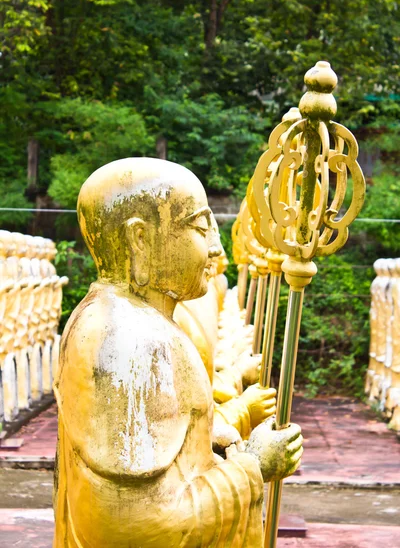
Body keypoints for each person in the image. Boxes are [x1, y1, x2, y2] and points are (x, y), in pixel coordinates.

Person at [53, 157, 303, 547]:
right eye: (200, 227)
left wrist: (216, 434)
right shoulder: (129, 341)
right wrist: (253, 466)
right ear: (141, 239)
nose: (213, 247)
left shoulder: (131, 320)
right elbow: (132, 522)